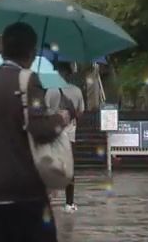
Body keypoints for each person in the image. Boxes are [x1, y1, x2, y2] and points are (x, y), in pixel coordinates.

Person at [0, 22, 70, 242]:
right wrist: (61, 118)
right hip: (26, 196)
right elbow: (40, 129)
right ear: (31, 51)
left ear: (3, 49)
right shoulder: (29, 81)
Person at [45, 61, 83, 213]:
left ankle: (48, 197)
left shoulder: (50, 90)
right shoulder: (77, 91)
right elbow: (81, 112)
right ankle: (69, 203)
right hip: (70, 135)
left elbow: (45, 112)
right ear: (69, 74)